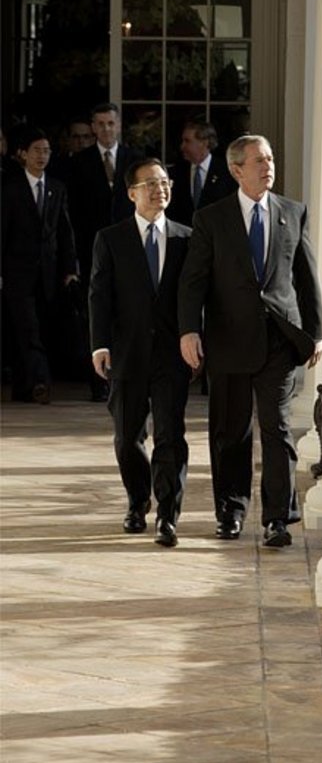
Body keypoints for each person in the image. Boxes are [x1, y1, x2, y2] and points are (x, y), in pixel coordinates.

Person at [178, 134, 322, 548]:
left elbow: (306, 276)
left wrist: (317, 332)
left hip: (279, 341)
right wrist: (189, 329)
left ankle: (279, 518)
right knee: (231, 432)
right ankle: (231, 512)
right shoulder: (211, 218)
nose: (268, 167)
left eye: (271, 159)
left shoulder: (292, 212)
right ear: (236, 169)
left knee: (276, 429)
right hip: (227, 341)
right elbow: (193, 282)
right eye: (258, 160)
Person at [89, 158, 192, 547]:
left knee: (170, 435)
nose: (159, 189)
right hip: (126, 353)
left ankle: (168, 515)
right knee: (127, 438)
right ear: (132, 192)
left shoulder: (187, 238)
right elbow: (99, 296)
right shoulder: (111, 239)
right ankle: (137, 502)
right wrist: (100, 344)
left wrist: (194, 337)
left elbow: (195, 296)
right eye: (149, 184)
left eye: (164, 182)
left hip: (172, 355)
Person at [68, 102, 141, 400]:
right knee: (96, 312)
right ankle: (99, 382)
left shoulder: (134, 160)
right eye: (100, 124)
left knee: (127, 311)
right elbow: (71, 213)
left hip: (129, 249)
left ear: (119, 125)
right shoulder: (78, 162)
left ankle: (125, 376)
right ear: (93, 127)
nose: (106, 129)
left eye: (111, 123)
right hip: (91, 250)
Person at [1, 128, 78, 403]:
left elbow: (64, 231)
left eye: (46, 150)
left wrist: (70, 269)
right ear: (22, 154)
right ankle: (40, 382)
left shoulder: (56, 188)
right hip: (16, 274)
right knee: (27, 328)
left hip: (48, 273)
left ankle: (25, 388)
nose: (42, 156)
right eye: (36, 150)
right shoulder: (10, 189)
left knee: (39, 329)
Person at [166, 119, 236, 227]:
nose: (182, 146)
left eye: (187, 141)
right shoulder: (176, 172)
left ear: (204, 143)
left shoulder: (226, 171)